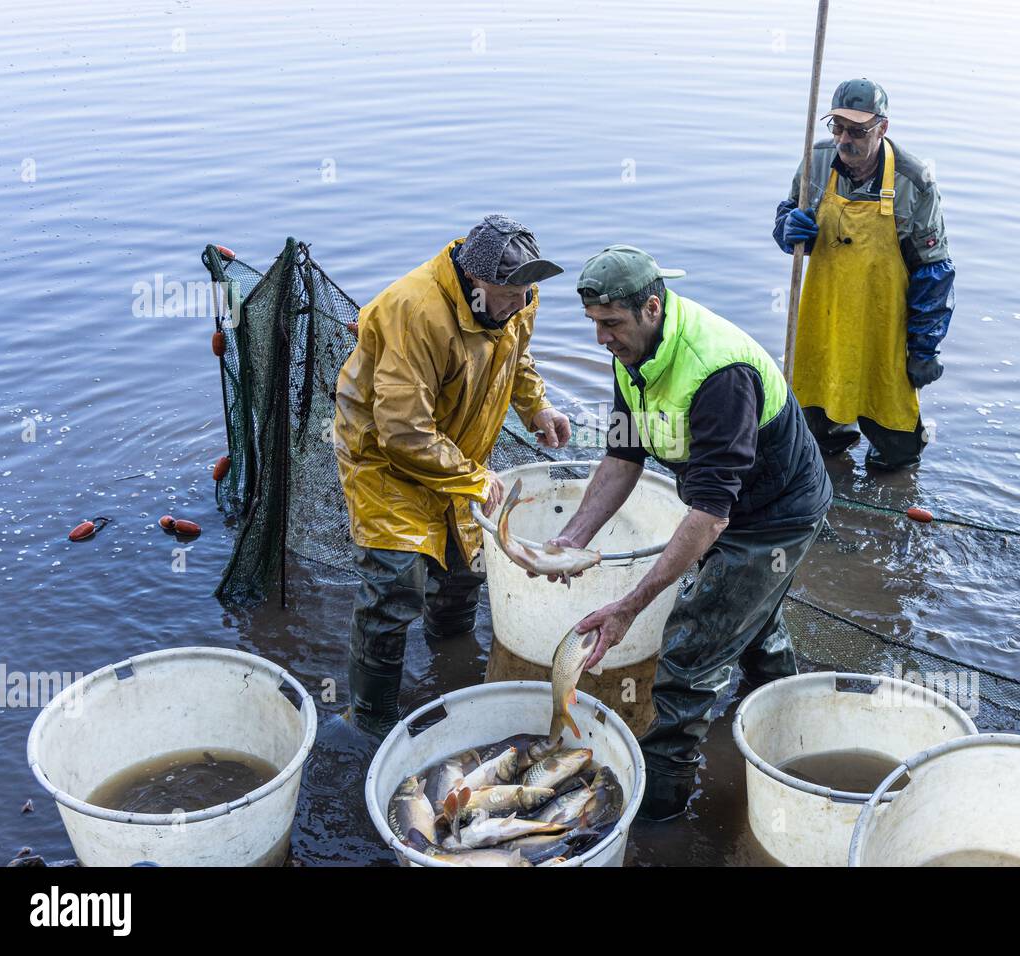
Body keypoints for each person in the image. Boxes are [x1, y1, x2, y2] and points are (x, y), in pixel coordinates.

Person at [545, 245, 831, 820]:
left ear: (652, 307)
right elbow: (624, 456)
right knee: (751, 623)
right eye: (593, 325)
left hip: (773, 516)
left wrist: (629, 605)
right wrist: (570, 538)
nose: (601, 339)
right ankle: (791, 729)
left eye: (611, 325)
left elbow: (709, 517)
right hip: (726, 505)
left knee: (688, 656)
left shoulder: (717, 373)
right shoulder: (633, 354)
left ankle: (658, 813)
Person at [332, 214, 571, 734]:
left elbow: (516, 358)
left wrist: (538, 409)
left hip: (459, 448)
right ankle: (369, 723)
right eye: (508, 293)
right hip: (384, 457)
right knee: (396, 585)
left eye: (527, 291)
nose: (520, 304)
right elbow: (403, 430)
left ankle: (452, 660)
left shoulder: (517, 303)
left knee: (468, 566)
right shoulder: (413, 311)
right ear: (474, 281)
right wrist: (474, 480)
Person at [774, 77, 955, 469]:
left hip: (882, 328)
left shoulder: (913, 182)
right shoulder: (816, 162)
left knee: (898, 455)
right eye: (837, 127)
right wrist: (788, 228)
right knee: (813, 442)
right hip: (824, 322)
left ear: (882, 128)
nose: (844, 140)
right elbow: (786, 216)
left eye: (857, 131)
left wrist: (924, 348)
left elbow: (933, 273)